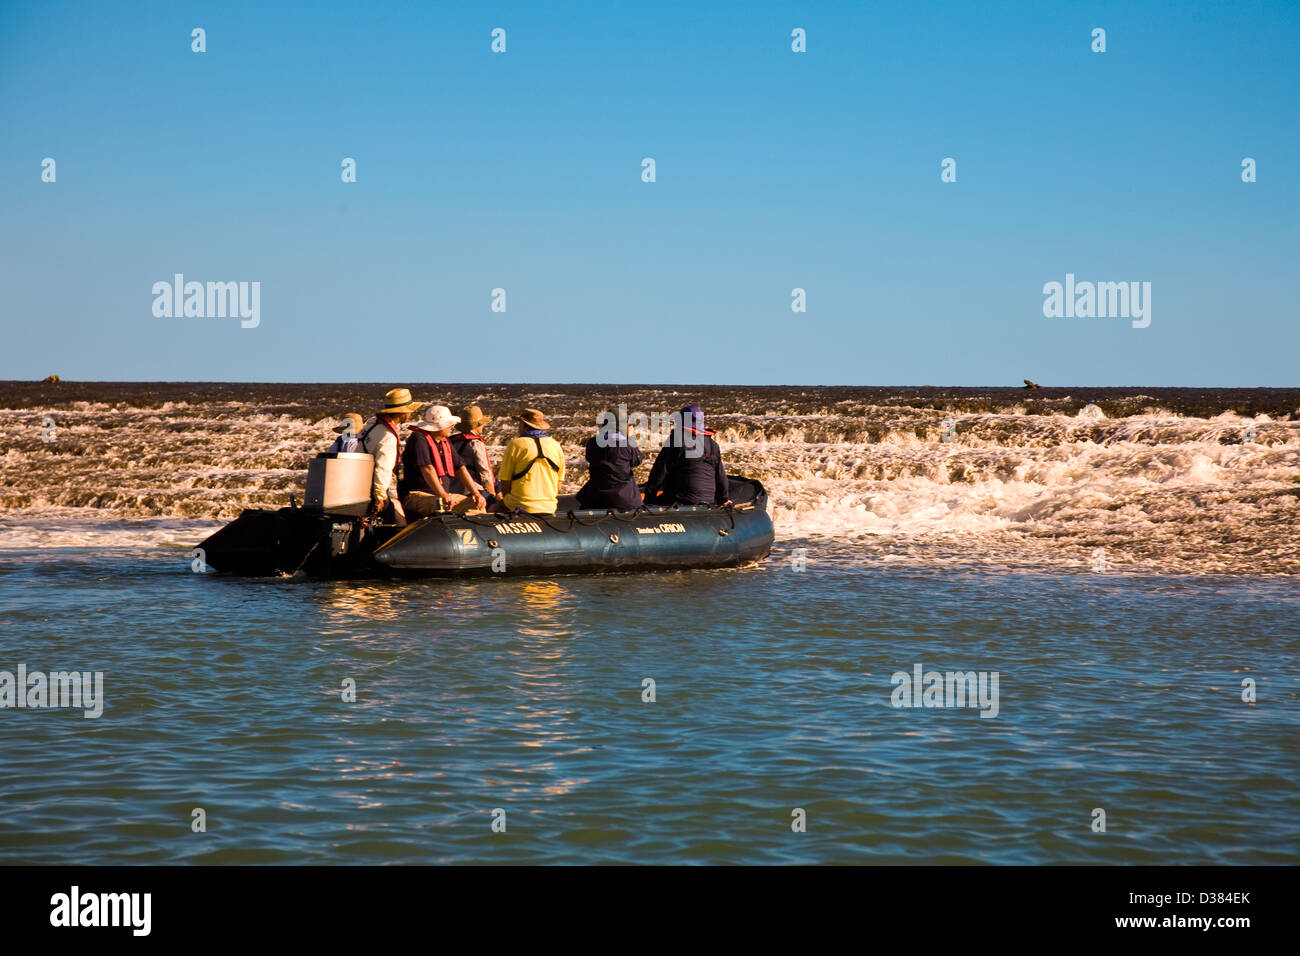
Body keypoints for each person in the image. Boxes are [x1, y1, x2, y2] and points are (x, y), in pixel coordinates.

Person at [400, 405, 490, 516]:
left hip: (442, 495)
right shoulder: (419, 438)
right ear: (438, 426)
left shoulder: (445, 441)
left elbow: (460, 468)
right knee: (441, 504)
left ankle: (468, 531)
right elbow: (427, 468)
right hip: (415, 496)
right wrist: (443, 495)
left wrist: (476, 493)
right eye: (449, 424)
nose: (452, 427)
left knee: (475, 505)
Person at [643, 404, 731, 507]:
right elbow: (721, 476)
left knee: (659, 499)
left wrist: (648, 499)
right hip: (708, 501)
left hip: (681, 501)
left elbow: (659, 472)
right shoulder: (713, 445)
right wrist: (723, 499)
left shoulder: (677, 440)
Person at [358, 387, 422, 525]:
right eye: (409, 410)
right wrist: (380, 497)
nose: (411, 413)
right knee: (396, 516)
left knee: (395, 505)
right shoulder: (388, 437)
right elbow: (383, 468)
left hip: (358, 482)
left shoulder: (372, 423)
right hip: (370, 488)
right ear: (402, 412)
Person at [494, 407, 565, 515]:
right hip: (549, 507)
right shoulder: (555, 445)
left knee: (491, 509)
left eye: (519, 424)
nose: (518, 427)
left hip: (519, 505)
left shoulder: (516, 444)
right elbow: (558, 485)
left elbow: (505, 483)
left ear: (524, 425)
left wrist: (507, 500)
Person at [576, 413, 643, 510]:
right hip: (624, 500)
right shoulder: (628, 445)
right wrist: (630, 438)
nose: (632, 427)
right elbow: (637, 461)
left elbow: (590, 457)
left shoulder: (592, 443)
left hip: (595, 499)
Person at [449, 405, 498, 503]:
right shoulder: (475, 443)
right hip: (471, 490)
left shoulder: (453, 441)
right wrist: (492, 495)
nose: (483, 425)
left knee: (498, 483)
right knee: (496, 497)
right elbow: (484, 473)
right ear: (478, 425)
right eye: (482, 423)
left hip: (453, 488)